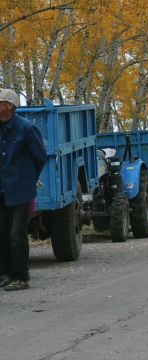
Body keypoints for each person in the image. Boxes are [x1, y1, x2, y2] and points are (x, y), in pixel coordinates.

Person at [0, 89, 46, 291]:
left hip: (20, 190)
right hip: (2, 189)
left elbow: (40, 156)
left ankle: (20, 277)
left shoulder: (26, 129)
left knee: (17, 235)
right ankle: (5, 274)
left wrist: (28, 179)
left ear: (9, 105)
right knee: (2, 233)